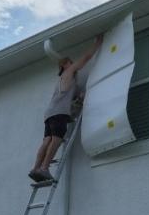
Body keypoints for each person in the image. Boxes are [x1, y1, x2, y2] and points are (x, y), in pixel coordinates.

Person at [29, 34, 103, 182]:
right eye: (70, 62)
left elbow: (74, 96)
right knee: (56, 140)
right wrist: (97, 43)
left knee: (47, 140)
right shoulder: (68, 72)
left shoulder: (64, 82)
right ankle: (44, 168)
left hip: (50, 113)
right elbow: (86, 58)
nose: (73, 63)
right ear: (64, 65)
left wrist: (80, 96)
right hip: (59, 114)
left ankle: (35, 168)